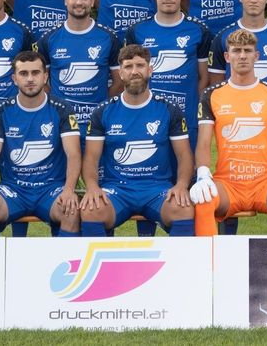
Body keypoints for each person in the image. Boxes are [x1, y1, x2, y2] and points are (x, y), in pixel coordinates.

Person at [191, 29, 267, 236]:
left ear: (257, 56)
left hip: (264, 183)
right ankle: (210, 257)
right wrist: (202, 174)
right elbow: (203, 143)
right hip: (228, 183)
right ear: (227, 57)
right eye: (236, 51)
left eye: (247, 51)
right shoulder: (212, 95)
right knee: (204, 200)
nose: (242, 56)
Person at [78, 44, 196, 237]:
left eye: (140, 65)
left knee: (182, 208)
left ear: (150, 69)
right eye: (128, 66)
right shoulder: (103, 111)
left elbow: (184, 155)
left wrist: (182, 185)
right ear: (120, 73)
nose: (134, 72)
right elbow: (91, 157)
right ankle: (101, 257)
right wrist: (92, 187)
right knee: (92, 210)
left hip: (157, 188)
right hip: (117, 189)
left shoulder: (169, 109)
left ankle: (177, 258)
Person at [0, 51, 83, 237]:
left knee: (71, 210)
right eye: (23, 73)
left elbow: (73, 153)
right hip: (14, 189)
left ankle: (63, 257)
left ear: (45, 76)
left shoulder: (62, 109)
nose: (30, 79)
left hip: (50, 188)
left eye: (35, 73)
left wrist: (69, 190)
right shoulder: (1, 111)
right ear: (14, 79)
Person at [125, 0, 211, 151]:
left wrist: (195, 108)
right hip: (149, 113)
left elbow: (204, 77)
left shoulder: (199, 30)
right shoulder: (137, 31)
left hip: (187, 116)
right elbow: (130, 75)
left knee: (187, 166)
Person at [35, 0, 122, 135]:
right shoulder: (49, 39)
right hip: (62, 124)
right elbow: (41, 82)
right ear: (65, 0)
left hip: (97, 124)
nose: (79, 2)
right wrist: (58, 105)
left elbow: (119, 82)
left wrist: (101, 107)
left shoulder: (109, 38)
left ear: (92, 1)